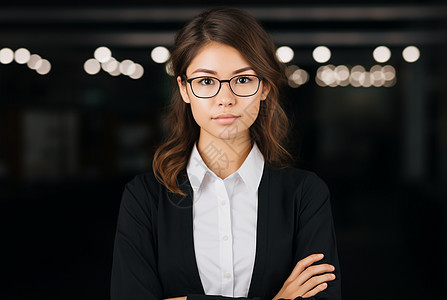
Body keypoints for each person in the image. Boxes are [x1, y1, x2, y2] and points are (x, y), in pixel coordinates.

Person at [110, 7, 341, 300]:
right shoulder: (144, 198)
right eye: (206, 81)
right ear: (184, 89)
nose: (225, 99)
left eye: (243, 79)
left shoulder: (305, 194)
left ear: (265, 87)